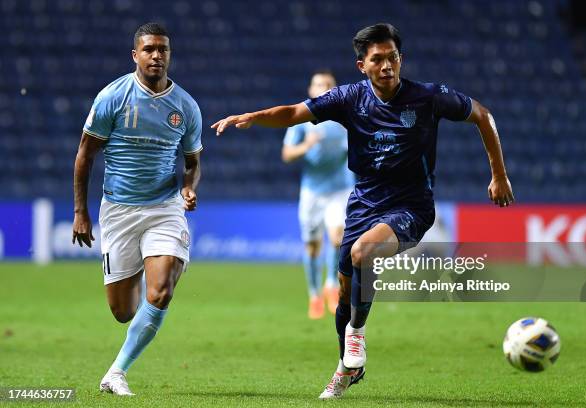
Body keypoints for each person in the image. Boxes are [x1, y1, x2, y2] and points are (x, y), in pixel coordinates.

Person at [212, 23, 514, 399]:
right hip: (363, 204)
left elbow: (483, 115)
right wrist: (253, 117)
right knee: (344, 290)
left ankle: (356, 338)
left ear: (400, 59)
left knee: (361, 253)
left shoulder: (428, 97)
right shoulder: (348, 98)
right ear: (362, 66)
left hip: (411, 206)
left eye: (393, 57)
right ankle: (346, 367)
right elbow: (292, 112)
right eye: (378, 59)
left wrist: (499, 174)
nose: (387, 65)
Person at [72, 22, 202, 396]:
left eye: (163, 49)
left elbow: (193, 162)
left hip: (165, 207)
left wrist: (190, 187)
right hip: (119, 210)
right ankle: (148, 268)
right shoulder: (113, 97)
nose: (156, 55)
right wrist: (80, 211)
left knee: (160, 292)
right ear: (135, 55)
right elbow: (85, 155)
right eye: (149, 50)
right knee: (123, 312)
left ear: (170, 55)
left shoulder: (185, 106)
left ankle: (116, 372)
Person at [282, 70, 354, 319]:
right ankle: (314, 295)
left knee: (337, 238)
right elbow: (287, 154)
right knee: (313, 247)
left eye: (327, 85)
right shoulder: (302, 120)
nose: (322, 89)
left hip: (340, 188)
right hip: (313, 192)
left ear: (334, 90)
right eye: (318, 85)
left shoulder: (346, 118)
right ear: (311, 91)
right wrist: (307, 145)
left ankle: (331, 287)